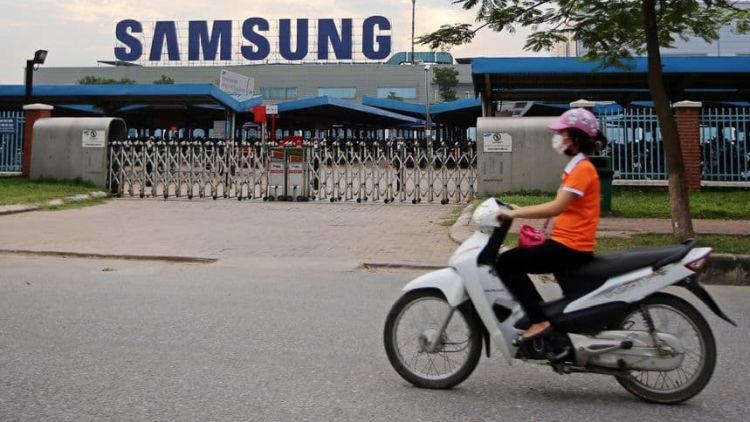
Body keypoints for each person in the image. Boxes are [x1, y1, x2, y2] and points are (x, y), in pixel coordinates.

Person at [494, 108, 608, 342]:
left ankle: (539, 320)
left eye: (562, 133)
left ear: (574, 139)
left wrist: (514, 214)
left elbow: (557, 207)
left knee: (506, 262)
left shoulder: (582, 170)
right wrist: (518, 208)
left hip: (571, 247)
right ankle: (542, 315)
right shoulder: (576, 167)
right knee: (514, 260)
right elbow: (561, 205)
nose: (558, 137)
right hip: (567, 243)